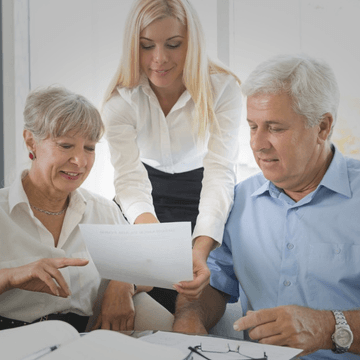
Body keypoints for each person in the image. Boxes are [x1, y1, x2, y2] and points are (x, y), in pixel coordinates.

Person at [173, 54, 360, 359]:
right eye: (252, 127)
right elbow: (214, 285)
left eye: (275, 128)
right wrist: (189, 317)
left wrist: (328, 327)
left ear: (323, 127)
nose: (258, 144)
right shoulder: (238, 201)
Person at [102, 0, 242, 315]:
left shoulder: (222, 88)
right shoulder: (120, 100)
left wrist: (201, 245)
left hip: (203, 193)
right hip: (141, 204)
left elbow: (220, 172)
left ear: (192, 43)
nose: (159, 59)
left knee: (192, 301)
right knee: (131, 295)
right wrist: (155, 240)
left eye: (173, 45)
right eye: (146, 46)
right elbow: (129, 180)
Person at [0, 86, 168, 333]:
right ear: (30, 141)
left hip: (85, 340)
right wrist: (11, 276)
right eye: (66, 145)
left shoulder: (103, 212)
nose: (80, 161)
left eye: (89, 148)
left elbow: (148, 265)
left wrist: (124, 282)